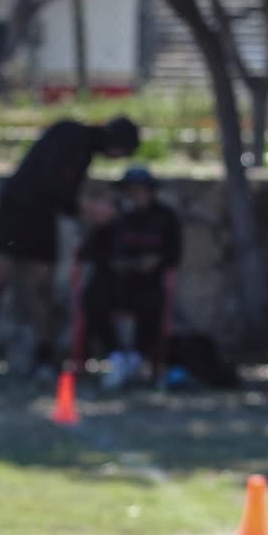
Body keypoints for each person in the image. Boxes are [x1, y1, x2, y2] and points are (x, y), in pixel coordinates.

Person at [0, 114, 141, 381]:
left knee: (41, 287)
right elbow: (51, 183)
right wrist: (87, 209)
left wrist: (87, 208)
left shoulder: (85, 151)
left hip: (42, 216)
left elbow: (62, 193)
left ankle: (44, 356)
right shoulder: (70, 134)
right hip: (16, 210)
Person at [73, 167, 182, 389]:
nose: (134, 195)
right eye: (130, 191)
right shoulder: (115, 216)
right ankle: (115, 357)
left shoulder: (165, 216)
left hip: (147, 282)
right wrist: (102, 225)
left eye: (139, 190)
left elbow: (173, 254)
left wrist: (155, 261)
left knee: (151, 302)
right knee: (94, 298)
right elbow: (90, 252)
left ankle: (136, 358)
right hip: (114, 282)